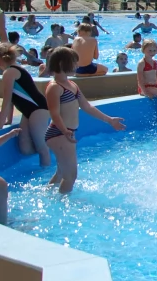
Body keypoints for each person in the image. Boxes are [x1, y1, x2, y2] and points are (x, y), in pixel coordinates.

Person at [43, 47, 125, 193]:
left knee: (62, 172)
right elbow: (54, 113)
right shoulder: (54, 87)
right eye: (74, 62)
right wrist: (64, 131)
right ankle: (62, 205)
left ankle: (47, 194)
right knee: (71, 176)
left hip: (67, 133)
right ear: (62, 64)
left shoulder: (72, 85)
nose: (77, 66)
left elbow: (87, 107)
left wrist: (109, 120)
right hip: (59, 133)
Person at [0, 43, 51, 167]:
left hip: (38, 109)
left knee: (42, 147)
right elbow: (12, 99)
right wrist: (8, 120)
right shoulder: (14, 69)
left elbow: (7, 98)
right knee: (24, 147)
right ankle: (36, 169)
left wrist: (0, 123)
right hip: (28, 111)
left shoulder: (10, 72)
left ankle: (47, 175)